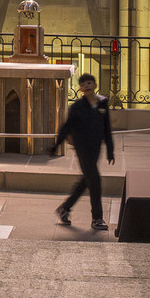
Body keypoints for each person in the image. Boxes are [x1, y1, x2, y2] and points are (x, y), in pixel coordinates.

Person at [54, 74, 114, 229]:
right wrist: (56, 145)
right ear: (80, 88)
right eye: (83, 84)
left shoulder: (102, 102)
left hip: (95, 148)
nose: (86, 85)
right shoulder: (77, 107)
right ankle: (97, 219)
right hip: (82, 148)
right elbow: (67, 126)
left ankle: (64, 208)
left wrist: (110, 149)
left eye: (89, 82)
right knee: (95, 181)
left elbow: (106, 127)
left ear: (94, 84)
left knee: (86, 180)